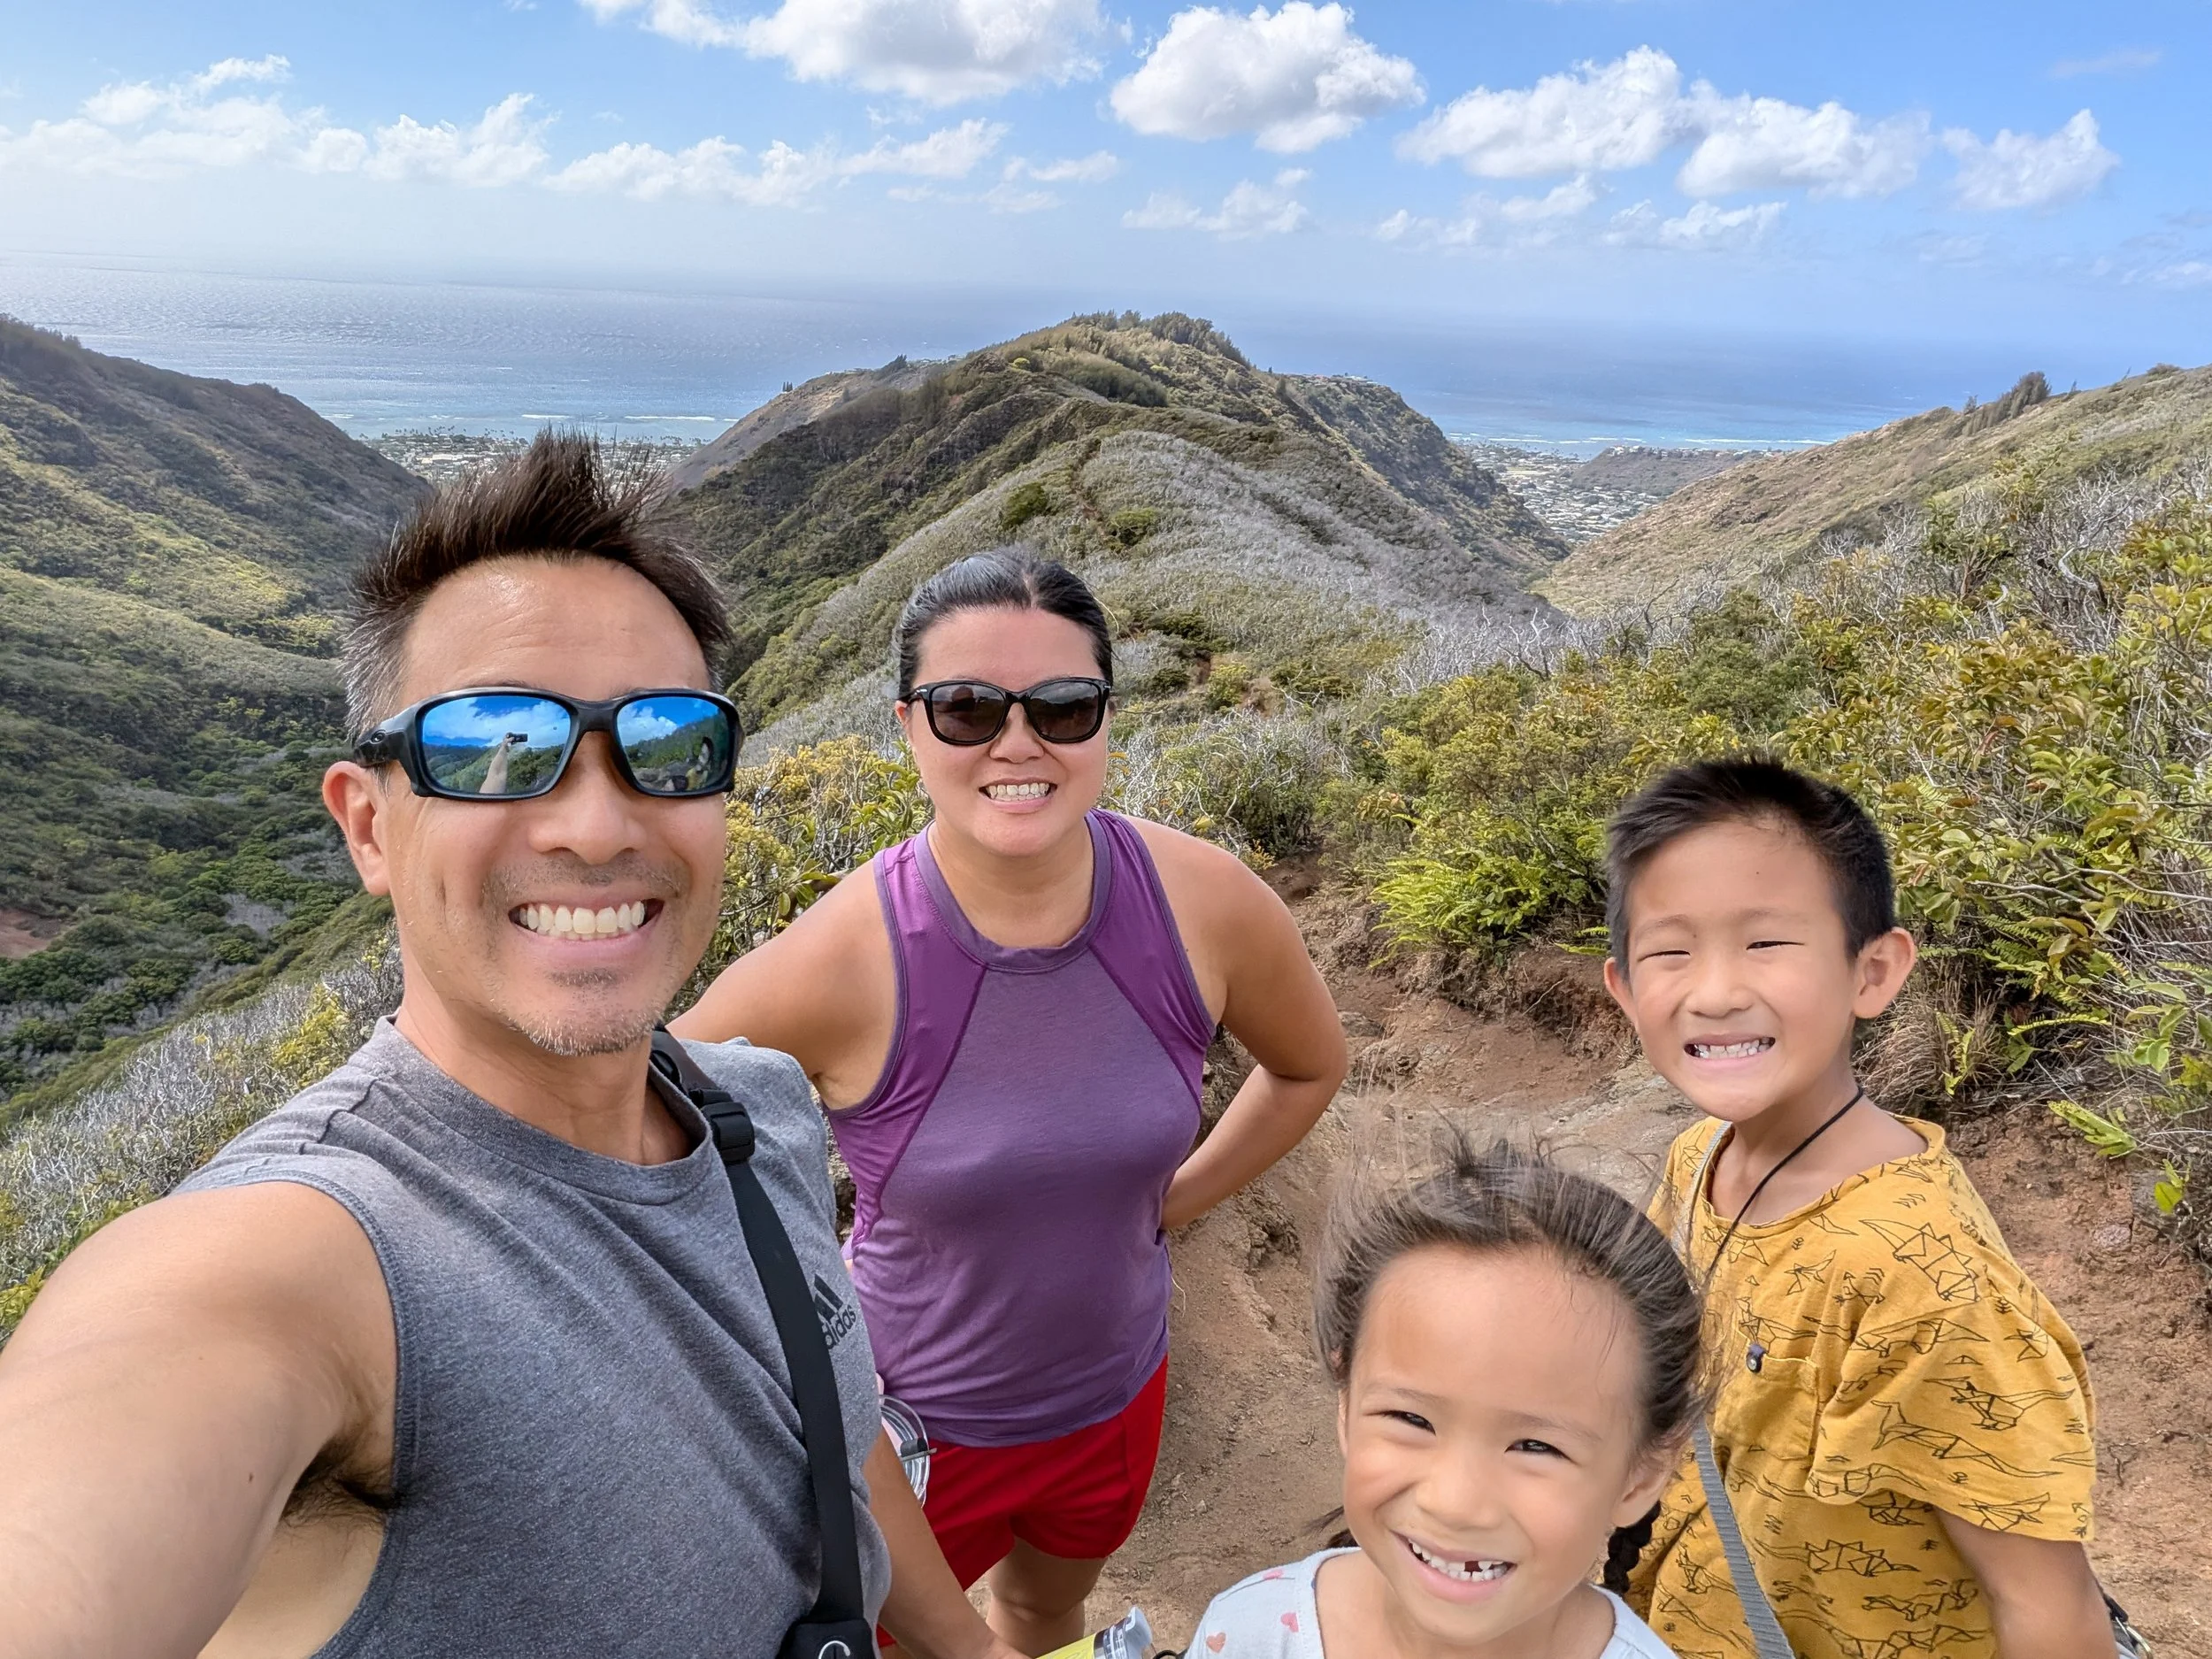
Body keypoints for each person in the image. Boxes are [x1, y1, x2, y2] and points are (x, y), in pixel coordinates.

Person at [0, 436, 1017, 1659]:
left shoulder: (767, 1109)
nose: (596, 822)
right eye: (494, 743)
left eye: (669, 741)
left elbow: (829, 1432)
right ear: (368, 824)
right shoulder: (304, 1258)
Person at [677, 551, 1349, 1651]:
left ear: (1104, 721)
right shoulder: (842, 959)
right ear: (909, 726)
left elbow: (1309, 1066)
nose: (1017, 741)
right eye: (967, 708)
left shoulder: (1203, 903)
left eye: (1064, 706)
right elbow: (633, 1125)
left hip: (1118, 1398)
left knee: (1044, 1612)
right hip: (911, 1437)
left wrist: (1170, 1204)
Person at [1601, 757, 2110, 1659]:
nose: (1714, 990)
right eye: (1670, 952)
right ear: (1625, 989)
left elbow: (2047, 1607)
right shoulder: (1695, 1160)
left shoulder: (1919, 1276)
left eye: (1765, 943)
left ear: (1871, 972)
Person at [1189, 1135, 1698, 1659]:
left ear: (1642, 1473)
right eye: (1411, 1418)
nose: (1454, 1503)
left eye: (1535, 1446)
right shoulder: (1248, 1633)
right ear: (1345, 1403)